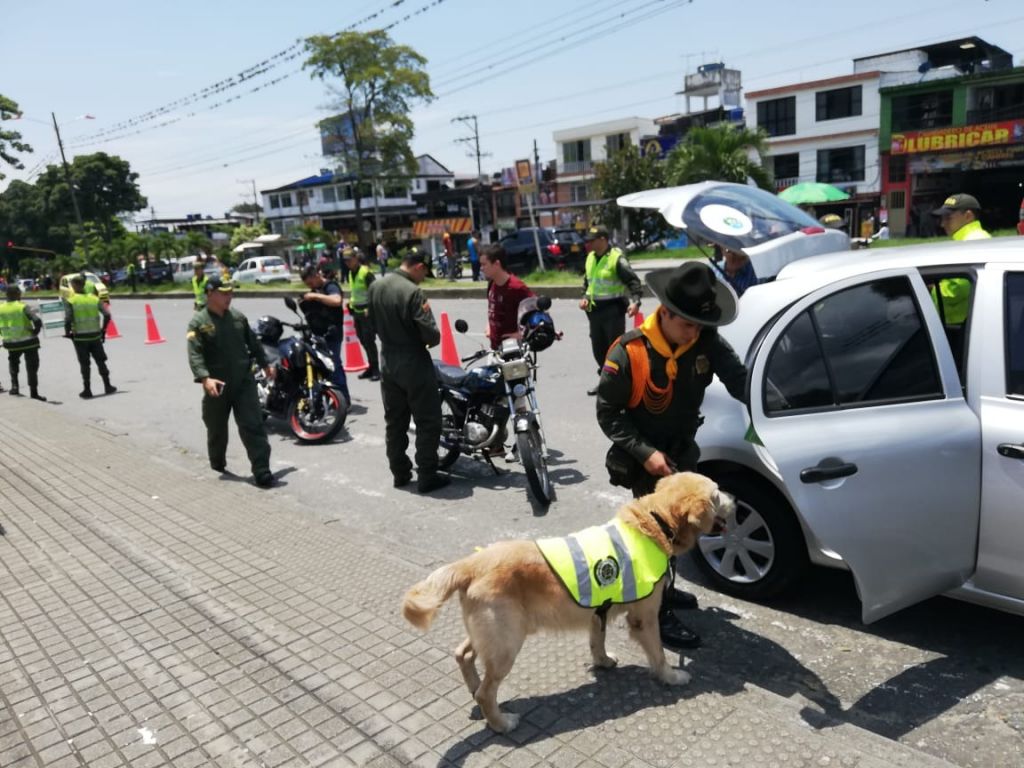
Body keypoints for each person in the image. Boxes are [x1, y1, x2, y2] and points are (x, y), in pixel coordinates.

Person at [596, 262, 746, 650]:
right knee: (654, 541)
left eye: (701, 325)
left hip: (683, 455)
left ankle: (666, 588)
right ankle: (654, 616)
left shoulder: (705, 339)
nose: (695, 333)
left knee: (681, 534)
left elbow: (740, 379)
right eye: (688, 325)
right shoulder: (628, 352)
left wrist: (778, 406)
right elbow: (608, 413)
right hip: (648, 464)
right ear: (665, 313)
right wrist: (647, 454)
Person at [367, 250, 449, 494]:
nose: (424, 278)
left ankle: (400, 473)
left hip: (388, 360)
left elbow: (370, 323)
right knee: (428, 420)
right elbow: (431, 334)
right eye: (425, 273)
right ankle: (427, 474)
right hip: (413, 359)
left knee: (395, 421)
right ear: (419, 267)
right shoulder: (412, 292)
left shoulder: (376, 286)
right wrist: (429, 341)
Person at [186, 276, 275, 488]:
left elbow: (253, 343)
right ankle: (217, 461)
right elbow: (195, 354)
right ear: (210, 294)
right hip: (217, 384)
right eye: (224, 293)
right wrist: (205, 378)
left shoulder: (237, 318)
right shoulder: (199, 322)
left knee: (253, 425)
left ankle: (262, 470)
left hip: (243, 381)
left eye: (230, 293)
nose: (229, 297)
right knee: (216, 427)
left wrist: (265, 364)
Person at [579, 226, 642, 396]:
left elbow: (633, 282)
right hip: (595, 312)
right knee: (598, 350)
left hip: (613, 311)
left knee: (614, 351)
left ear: (603, 239)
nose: (589, 243)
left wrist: (636, 302)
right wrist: (584, 296)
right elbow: (588, 282)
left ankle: (620, 385)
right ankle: (605, 382)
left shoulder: (616, 258)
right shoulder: (590, 258)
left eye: (593, 240)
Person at [300, 264, 352, 406]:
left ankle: (344, 401)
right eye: (308, 285)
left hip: (332, 334)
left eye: (311, 282)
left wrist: (315, 296)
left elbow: (336, 301)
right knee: (322, 368)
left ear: (316, 275)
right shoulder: (316, 290)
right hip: (319, 334)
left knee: (334, 366)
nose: (310, 286)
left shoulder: (330, 286)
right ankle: (330, 398)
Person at [64, 274, 116, 399]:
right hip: (95, 336)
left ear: (75, 285)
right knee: (100, 361)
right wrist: (103, 330)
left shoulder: (71, 300)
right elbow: (107, 315)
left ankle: (87, 390)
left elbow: (68, 319)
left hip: (80, 338)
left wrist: (68, 333)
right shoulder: (94, 298)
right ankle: (108, 385)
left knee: (85, 364)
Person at [481, 244, 534, 349]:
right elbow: (493, 310)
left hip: (513, 351)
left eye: (484, 264)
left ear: (496, 264)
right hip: (495, 349)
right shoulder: (492, 284)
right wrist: (489, 325)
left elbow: (539, 312)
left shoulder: (516, 287)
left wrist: (522, 334)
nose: (481, 268)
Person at [0, 284, 46, 401]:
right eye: (19, 293)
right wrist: (35, 332)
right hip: (29, 342)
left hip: (11, 343)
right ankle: (34, 393)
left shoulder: (1, 308)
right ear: (16, 294)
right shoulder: (22, 306)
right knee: (32, 367)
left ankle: (15, 387)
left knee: (13, 363)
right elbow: (37, 320)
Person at [342, 249, 380, 381]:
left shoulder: (365, 272)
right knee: (363, 340)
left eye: (349, 259)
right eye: (345, 260)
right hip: (356, 312)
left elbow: (375, 291)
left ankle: (376, 369)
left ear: (356, 258)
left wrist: (371, 308)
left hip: (366, 312)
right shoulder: (351, 273)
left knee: (369, 341)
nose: (347, 263)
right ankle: (371, 366)